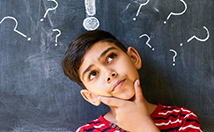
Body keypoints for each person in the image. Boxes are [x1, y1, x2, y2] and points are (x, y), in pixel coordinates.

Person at [62, 30, 202, 132]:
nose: (109, 74)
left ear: (133, 58)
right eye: (93, 74)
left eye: (111, 57)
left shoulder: (182, 119)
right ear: (91, 96)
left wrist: (143, 126)